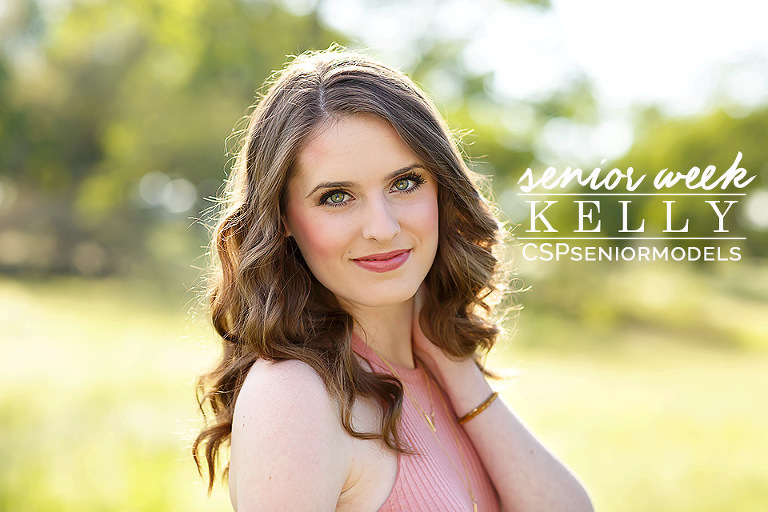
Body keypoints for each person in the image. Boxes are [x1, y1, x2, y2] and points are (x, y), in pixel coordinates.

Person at [193, 46, 593, 512]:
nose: (382, 228)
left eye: (405, 183)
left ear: (442, 188)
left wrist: (457, 370)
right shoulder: (294, 395)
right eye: (336, 196)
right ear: (282, 217)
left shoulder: (441, 369)